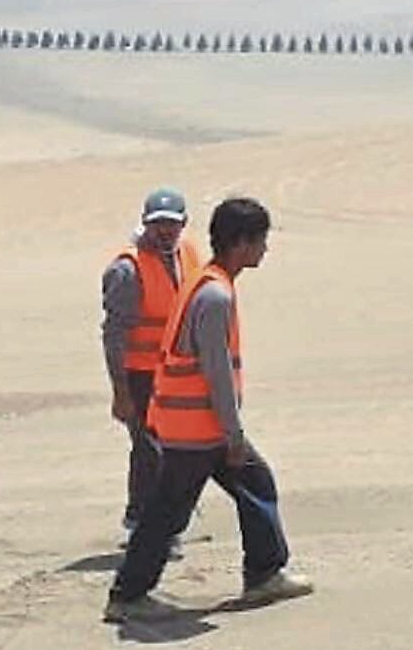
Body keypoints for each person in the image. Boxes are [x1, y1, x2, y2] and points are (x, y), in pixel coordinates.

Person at [105, 196, 313, 622]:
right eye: (261, 241)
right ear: (240, 244)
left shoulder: (202, 280)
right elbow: (216, 370)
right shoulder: (215, 295)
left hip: (194, 424)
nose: (265, 250)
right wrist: (232, 434)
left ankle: (264, 572)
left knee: (251, 484)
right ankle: (129, 595)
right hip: (199, 428)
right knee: (170, 511)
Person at [101, 187, 202, 549]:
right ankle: (141, 521)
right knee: (149, 449)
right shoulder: (127, 271)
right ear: (145, 225)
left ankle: (164, 522)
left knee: (178, 447)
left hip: (176, 372)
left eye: (171, 224)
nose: (164, 231)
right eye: (157, 224)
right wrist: (121, 393)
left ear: (183, 225)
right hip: (139, 376)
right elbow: (113, 336)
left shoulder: (189, 254)